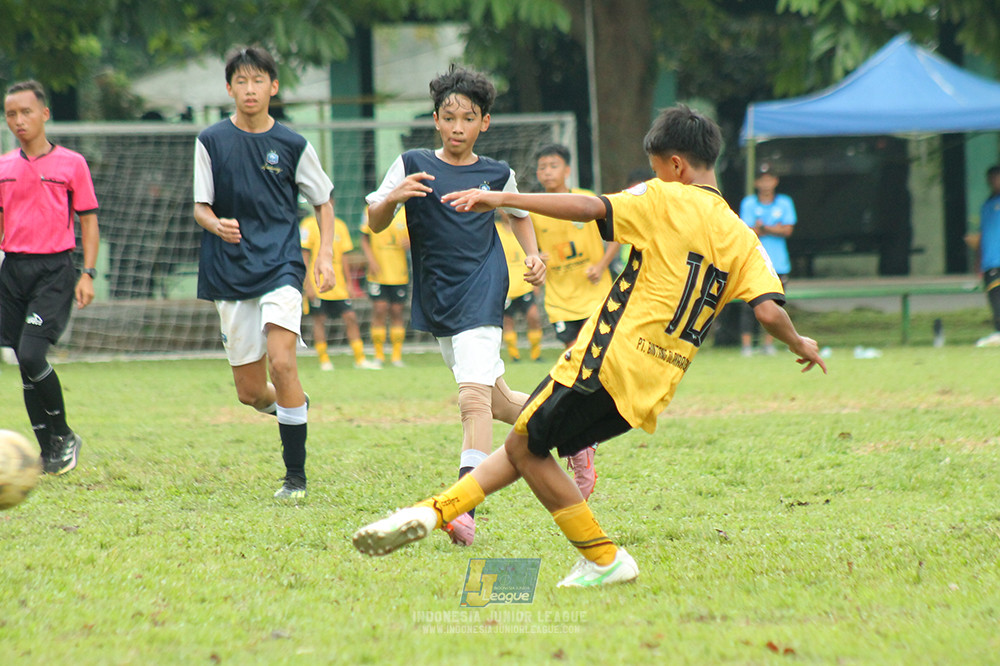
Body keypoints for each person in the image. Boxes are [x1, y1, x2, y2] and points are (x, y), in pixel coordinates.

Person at [353, 105, 827, 589]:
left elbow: (590, 207)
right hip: (655, 384)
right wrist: (800, 341)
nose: (656, 175)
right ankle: (437, 511)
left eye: (658, 166)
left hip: (607, 358)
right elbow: (769, 312)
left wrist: (501, 199)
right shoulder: (743, 236)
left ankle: (600, 556)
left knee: (524, 445)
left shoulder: (666, 196)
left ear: (676, 165)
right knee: (525, 442)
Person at [364, 64, 546, 546]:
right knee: (500, 402)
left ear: (484, 122)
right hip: (437, 293)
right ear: (436, 120)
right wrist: (391, 200)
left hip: (484, 288)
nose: (458, 127)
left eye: (469, 118)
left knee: (472, 401)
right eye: (450, 117)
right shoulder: (410, 164)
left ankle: (463, 507)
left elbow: (519, 213)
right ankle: (571, 433)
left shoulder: (496, 172)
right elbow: (375, 220)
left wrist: (532, 255)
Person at [193, 46, 335, 500]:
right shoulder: (210, 140)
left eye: (258, 81)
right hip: (230, 270)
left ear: (273, 87)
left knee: (284, 361)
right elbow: (201, 206)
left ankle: (295, 477)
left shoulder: (293, 144)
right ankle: (295, 408)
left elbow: (324, 199)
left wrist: (325, 256)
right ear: (230, 88)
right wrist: (216, 223)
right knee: (252, 392)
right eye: (241, 82)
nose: (249, 89)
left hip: (281, 265)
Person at [0, 80, 100, 475]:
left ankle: (63, 433)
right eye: (11, 114)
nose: (19, 120)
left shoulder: (72, 163)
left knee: (31, 354)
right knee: (22, 362)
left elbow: (89, 221)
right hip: (13, 270)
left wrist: (88, 273)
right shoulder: (4, 167)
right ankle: (48, 451)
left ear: (44, 113)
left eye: (26, 112)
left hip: (55, 270)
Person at [530, 143, 621, 498]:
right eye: (542, 167)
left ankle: (582, 440)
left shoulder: (587, 201)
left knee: (588, 367)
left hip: (597, 298)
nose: (547, 172)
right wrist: (536, 256)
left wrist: (601, 265)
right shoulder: (537, 210)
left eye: (553, 165)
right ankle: (583, 443)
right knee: (578, 368)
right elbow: (528, 245)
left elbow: (618, 234)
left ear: (567, 170)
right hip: (559, 303)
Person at [300, 212, 379, 370]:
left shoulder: (340, 226)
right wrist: (307, 284)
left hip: (338, 285)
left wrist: (350, 283)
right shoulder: (307, 225)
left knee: (350, 317)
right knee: (319, 320)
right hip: (318, 283)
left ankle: (360, 358)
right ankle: (324, 360)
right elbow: (304, 256)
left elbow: (344, 258)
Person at [738, 162, 796, 357]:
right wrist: (774, 228)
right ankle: (746, 345)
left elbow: (787, 229)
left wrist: (764, 228)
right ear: (756, 182)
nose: (766, 183)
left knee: (776, 305)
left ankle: (769, 344)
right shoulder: (748, 203)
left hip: (779, 262)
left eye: (769, 179)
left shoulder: (784, 202)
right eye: (762, 179)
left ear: (775, 181)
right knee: (749, 306)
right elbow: (747, 230)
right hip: (754, 261)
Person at [360, 207, 410, 367]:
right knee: (380, 309)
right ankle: (379, 355)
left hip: (399, 272)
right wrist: (371, 260)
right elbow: (364, 238)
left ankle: (396, 356)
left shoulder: (406, 212)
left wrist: (411, 241)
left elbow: (420, 236)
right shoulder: (371, 209)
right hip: (378, 272)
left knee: (397, 311)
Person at [496, 212, 544, 363]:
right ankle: (514, 355)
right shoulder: (496, 230)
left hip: (525, 284)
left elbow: (537, 252)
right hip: (506, 286)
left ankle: (536, 354)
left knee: (534, 317)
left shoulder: (525, 229)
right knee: (508, 322)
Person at [966, 165, 1000, 347]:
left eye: (996, 177)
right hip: (990, 262)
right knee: (995, 300)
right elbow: (983, 235)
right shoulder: (987, 205)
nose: (993, 182)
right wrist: (978, 261)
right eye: (991, 178)